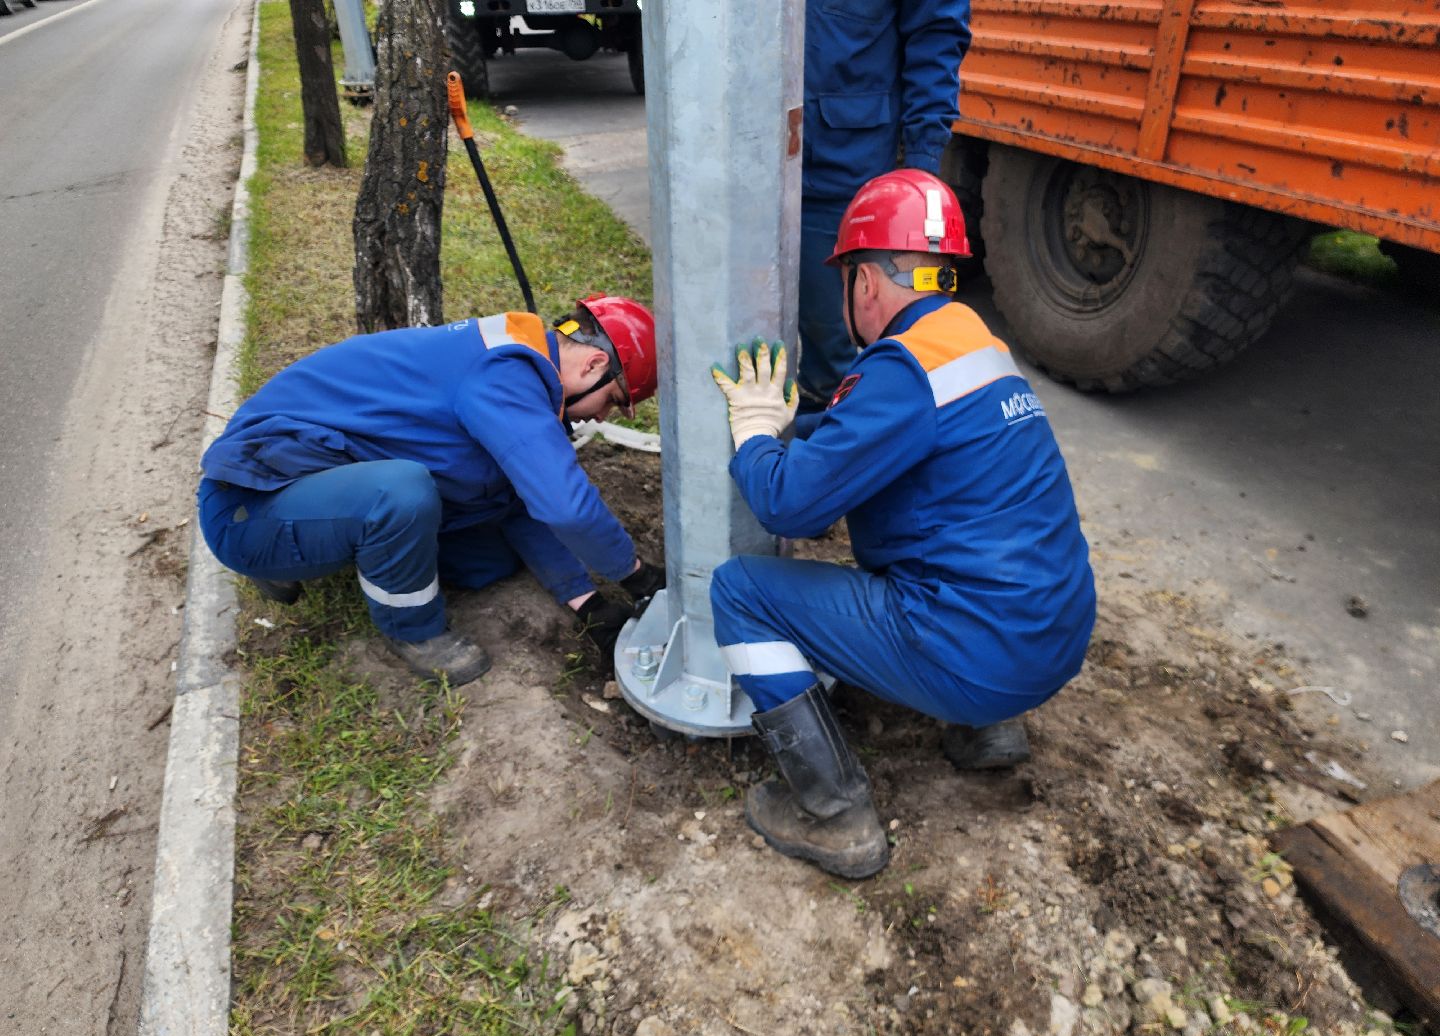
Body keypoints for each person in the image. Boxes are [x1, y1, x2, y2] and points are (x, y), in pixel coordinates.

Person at [710, 170, 1096, 878]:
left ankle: (834, 814)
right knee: (965, 540)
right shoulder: (972, 341)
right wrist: (806, 426)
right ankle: (987, 731)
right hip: (1056, 640)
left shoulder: (898, 370)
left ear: (864, 281)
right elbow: (889, 431)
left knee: (739, 591)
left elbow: (789, 505)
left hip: (981, 659)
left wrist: (755, 438)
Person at [198, 295, 666, 685]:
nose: (600, 417)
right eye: (612, 401)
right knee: (401, 493)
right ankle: (414, 631)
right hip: (253, 501)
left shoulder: (519, 358)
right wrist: (636, 575)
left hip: (319, 477)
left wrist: (589, 604)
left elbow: (520, 501)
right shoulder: (504, 379)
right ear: (594, 364)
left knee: (489, 562)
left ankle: (331, 536)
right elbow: (567, 508)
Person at [798, 0, 970, 416]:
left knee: (837, 351)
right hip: (741, 165)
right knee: (741, 341)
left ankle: (827, 430)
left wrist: (920, 169)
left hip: (840, 169)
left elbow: (935, 33)